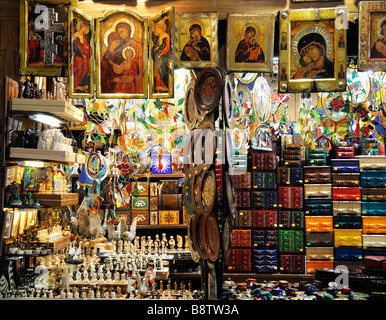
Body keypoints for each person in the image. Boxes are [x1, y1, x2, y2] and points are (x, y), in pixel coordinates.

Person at [101, 22, 143, 94]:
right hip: (116, 86)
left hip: (132, 84)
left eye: (122, 31)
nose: (120, 34)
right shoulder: (118, 50)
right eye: (119, 32)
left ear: (129, 31)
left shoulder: (138, 46)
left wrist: (134, 78)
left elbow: (142, 70)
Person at [71, 21, 92, 92]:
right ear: (81, 27)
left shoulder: (84, 36)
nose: (85, 29)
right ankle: (77, 86)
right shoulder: (76, 35)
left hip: (84, 57)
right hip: (79, 57)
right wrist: (81, 54)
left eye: (86, 28)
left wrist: (88, 49)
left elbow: (86, 46)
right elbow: (74, 46)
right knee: (79, 69)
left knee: (85, 70)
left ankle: (84, 86)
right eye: (84, 28)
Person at [151, 20, 171, 92]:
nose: (157, 31)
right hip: (158, 56)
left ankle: (165, 86)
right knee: (158, 71)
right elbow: (158, 46)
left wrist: (161, 53)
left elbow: (167, 47)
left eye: (158, 29)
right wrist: (156, 48)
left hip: (163, 56)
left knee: (162, 70)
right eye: (156, 30)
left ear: (161, 28)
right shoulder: (159, 37)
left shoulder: (165, 35)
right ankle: (159, 86)